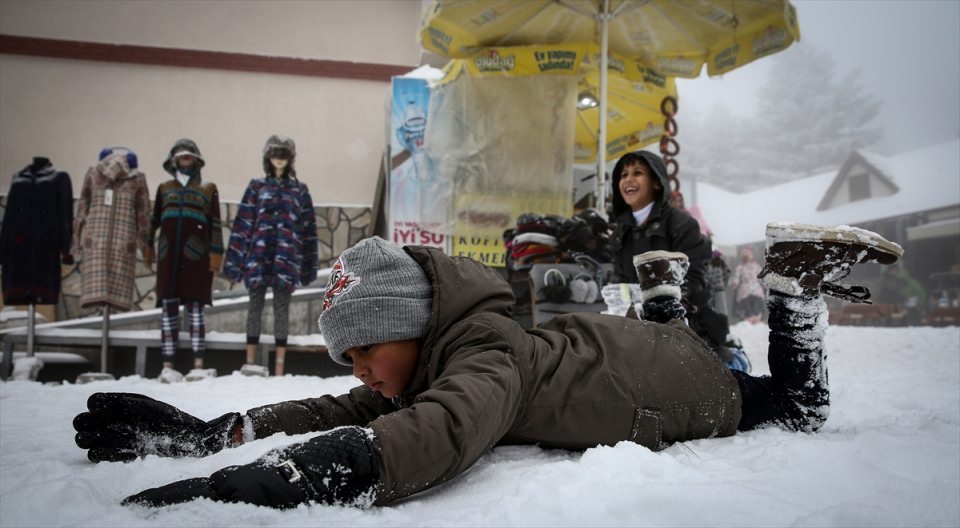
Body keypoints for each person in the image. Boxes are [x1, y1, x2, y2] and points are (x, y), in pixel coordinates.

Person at [73, 222, 903, 510]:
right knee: (683, 339)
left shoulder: (482, 363)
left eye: (364, 349)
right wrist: (221, 430)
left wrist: (253, 484)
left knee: (794, 408)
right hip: (633, 350)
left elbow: (440, 432)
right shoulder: (451, 343)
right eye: (349, 356)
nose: (359, 369)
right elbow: (348, 411)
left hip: (684, 384)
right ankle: (663, 296)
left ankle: (794, 287)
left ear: (408, 324)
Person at [608, 150, 741, 368]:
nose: (628, 179)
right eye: (623, 175)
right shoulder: (619, 234)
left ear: (657, 183)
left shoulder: (682, 224)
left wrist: (657, 308)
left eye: (637, 173)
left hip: (689, 325)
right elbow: (619, 281)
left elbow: (690, 279)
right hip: (637, 328)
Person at [223, 135, 318, 376]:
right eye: (275, 154)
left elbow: (308, 230)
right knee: (254, 307)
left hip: (286, 261)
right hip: (258, 258)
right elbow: (243, 225)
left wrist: (308, 266)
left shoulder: (299, 190)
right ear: (267, 157)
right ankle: (250, 363)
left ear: (290, 159)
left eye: (284, 155)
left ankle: (279, 367)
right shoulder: (256, 187)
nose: (279, 160)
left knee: (281, 310)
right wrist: (236, 262)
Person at [144, 139, 224, 383]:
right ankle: (167, 364)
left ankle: (198, 364)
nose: (185, 160)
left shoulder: (208, 189)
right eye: (181, 156)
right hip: (169, 258)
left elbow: (216, 225)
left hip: (196, 259)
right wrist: (148, 247)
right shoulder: (164, 188)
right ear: (174, 160)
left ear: (197, 160)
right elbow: (154, 220)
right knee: (168, 311)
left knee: (196, 310)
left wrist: (215, 254)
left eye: (189, 156)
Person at [729, 246, 766, 324]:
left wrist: (764, 282)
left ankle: (757, 315)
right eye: (744, 257)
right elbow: (736, 276)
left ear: (751, 257)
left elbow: (761, 276)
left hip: (756, 288)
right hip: (744, 289)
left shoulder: (756, 266)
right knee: (746, 303)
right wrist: (734, 282)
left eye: (747, 256)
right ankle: (748, 316)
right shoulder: (740, 267)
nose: (746, 258)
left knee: (756, 302)